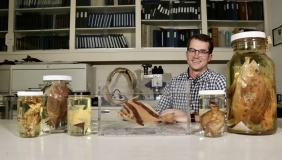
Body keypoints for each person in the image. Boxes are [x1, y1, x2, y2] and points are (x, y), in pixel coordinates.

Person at [155, 34, 226, 122]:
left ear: (209, 57)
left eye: (203, 52)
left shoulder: (219, 81)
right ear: (187, 54)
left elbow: (229, 116)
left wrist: (190, 117)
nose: (196, 56)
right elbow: (158, 115)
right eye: (192, 50)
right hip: (179, 135)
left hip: (208, 135)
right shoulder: (173, 83)